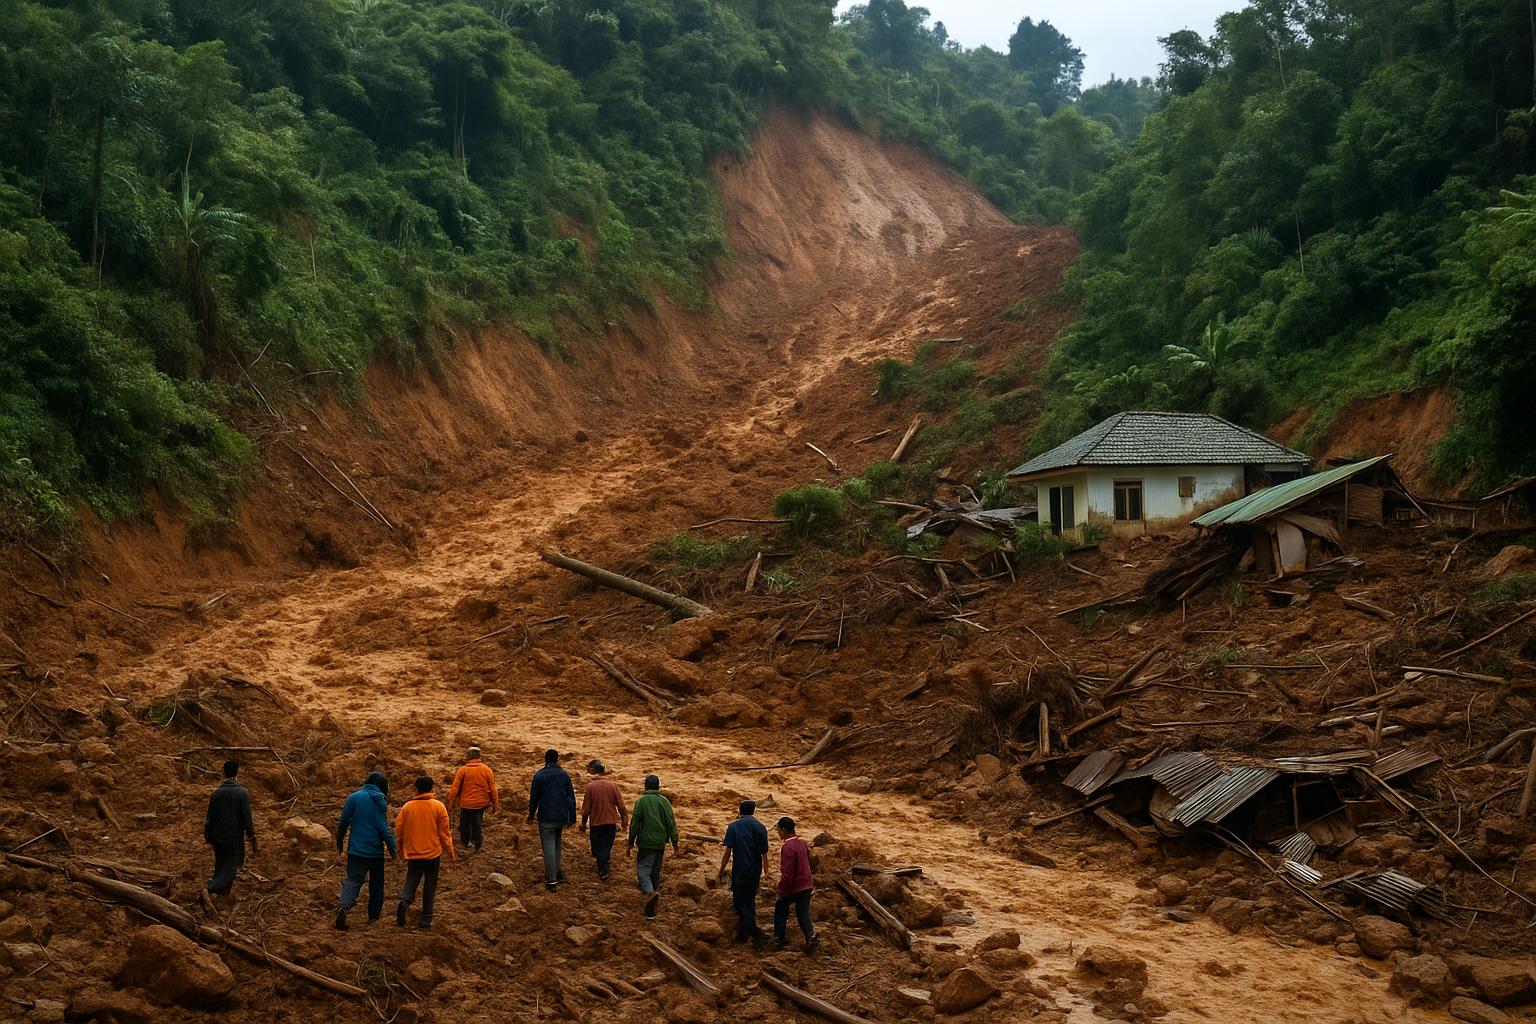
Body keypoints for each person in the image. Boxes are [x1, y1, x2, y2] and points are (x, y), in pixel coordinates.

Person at [334, 771, 397, 930]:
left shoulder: (354, 797)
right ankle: (373, 918)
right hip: (375, 852)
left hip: (356, 850)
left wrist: (340, 843)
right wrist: (392, 848)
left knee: (353, 880)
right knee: (377, 884)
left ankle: (344, 907)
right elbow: (383, 828)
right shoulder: (380, 800)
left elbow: (342, 824)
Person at [394, 775, 455, 929]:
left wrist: (401, 850)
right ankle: (426, 920)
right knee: (430, 885)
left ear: (416, 789)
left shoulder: (407, 807)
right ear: (432, 788)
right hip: (433, 853)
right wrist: (451, 852)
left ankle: (405, 901)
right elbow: (444, 833)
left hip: (414, 852)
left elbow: (399, 831)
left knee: (412, 878)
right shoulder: (438, 806)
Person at [201, 760, 256, 914]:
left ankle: (221, 896)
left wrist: (207, 835)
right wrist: (251, 835)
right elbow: (246, 817)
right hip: (233, 837)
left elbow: (209, 817)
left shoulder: (216, 793)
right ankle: (209, 890)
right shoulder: (242, 793)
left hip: (217, 836)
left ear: (224, 773)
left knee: (220, 864)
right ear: (237, 773)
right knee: (232, 867)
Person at [626, 774, 678, 918]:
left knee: (643, 872)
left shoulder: (641, 801)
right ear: (658, 786)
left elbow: (635, 824)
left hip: (645, 842)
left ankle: (651, 894)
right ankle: (654, 902)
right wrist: (675, 842)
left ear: (645, 786)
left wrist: (630, 842)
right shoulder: (664, 801)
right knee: (655, 872)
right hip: (660, 842)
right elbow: (671, 822)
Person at [719, 800, 769, 945]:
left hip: (739, 869)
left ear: (740, 811)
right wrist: (766, 873)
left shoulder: (734, 827)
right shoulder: (761, 827)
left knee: (740, 901)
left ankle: (753, 932)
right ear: (753, 811)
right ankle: (745, 932)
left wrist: (721, 870)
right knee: (749, 900)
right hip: (754, 870)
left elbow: (727, 852)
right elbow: (764, 854)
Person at [527, 749, 576, 892]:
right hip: (561, 816)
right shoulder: (564, 775)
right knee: (557, 844)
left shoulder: (539, 775)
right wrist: (572, 817)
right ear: (557, 759)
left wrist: (531, 815)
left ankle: (552, 879)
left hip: (546, 816)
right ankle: (558, 872)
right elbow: (570, 798)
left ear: (545, 760)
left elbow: (534, 798)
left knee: (548, 847)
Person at [772, 816, 817, 951]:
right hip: (806, 883)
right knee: (803, 913)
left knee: (780, 909)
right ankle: (811, 937)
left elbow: (788, 871)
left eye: (779, 830)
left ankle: (778, 938)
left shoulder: (787, 847)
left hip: (794, 886)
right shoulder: (802, 843)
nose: (778, 833)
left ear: (784, 830)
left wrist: (782, 889)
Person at [578, 760, 627, 881]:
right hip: (610, 822)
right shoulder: (613, 785)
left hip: (596, 823)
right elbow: (621, 805)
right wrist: (624, 819)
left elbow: (586, 808)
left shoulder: (590, 787)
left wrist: (583, 823)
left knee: (596, 848)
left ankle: (603, 870)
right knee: (606, 846)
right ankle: (604, 863)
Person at [447, 747, 499, 853]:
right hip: (481, 804)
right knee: (477, 822)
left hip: (466, 804)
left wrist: (451, 803)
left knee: (464, 823)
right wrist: (495, 804)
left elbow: (454, 789)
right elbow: (493, 789)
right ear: (479, 756)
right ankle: (477, 843)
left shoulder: (463, 770)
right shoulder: (486, 770)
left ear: (468, 756)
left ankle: (465, 842)